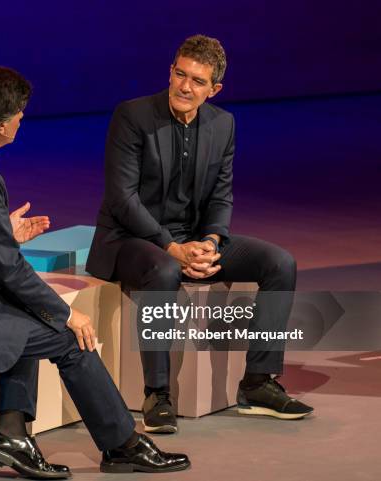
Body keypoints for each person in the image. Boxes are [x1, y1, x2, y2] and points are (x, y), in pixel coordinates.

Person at [0, 65, 191, 477]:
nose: (23, 118)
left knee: (25, 312)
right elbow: (6, 267)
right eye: (19, 112)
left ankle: (12, 433)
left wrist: (1, 231)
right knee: (69, 340)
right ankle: (122, 444)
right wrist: (66, 313)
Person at [86, 35, 313, 434]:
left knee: (280, 262)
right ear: (170, 72)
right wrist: (172, 247)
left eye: (197, 81)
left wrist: (209, 243)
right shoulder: (133, 115)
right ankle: (157, 393)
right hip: (130, 239)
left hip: (191, 240)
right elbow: (122, 199)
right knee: (164, 271)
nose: (185, 87)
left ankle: (258, 382)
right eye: (180, 74)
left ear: (215, 89)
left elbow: (221, 195)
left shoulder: (223, 124)